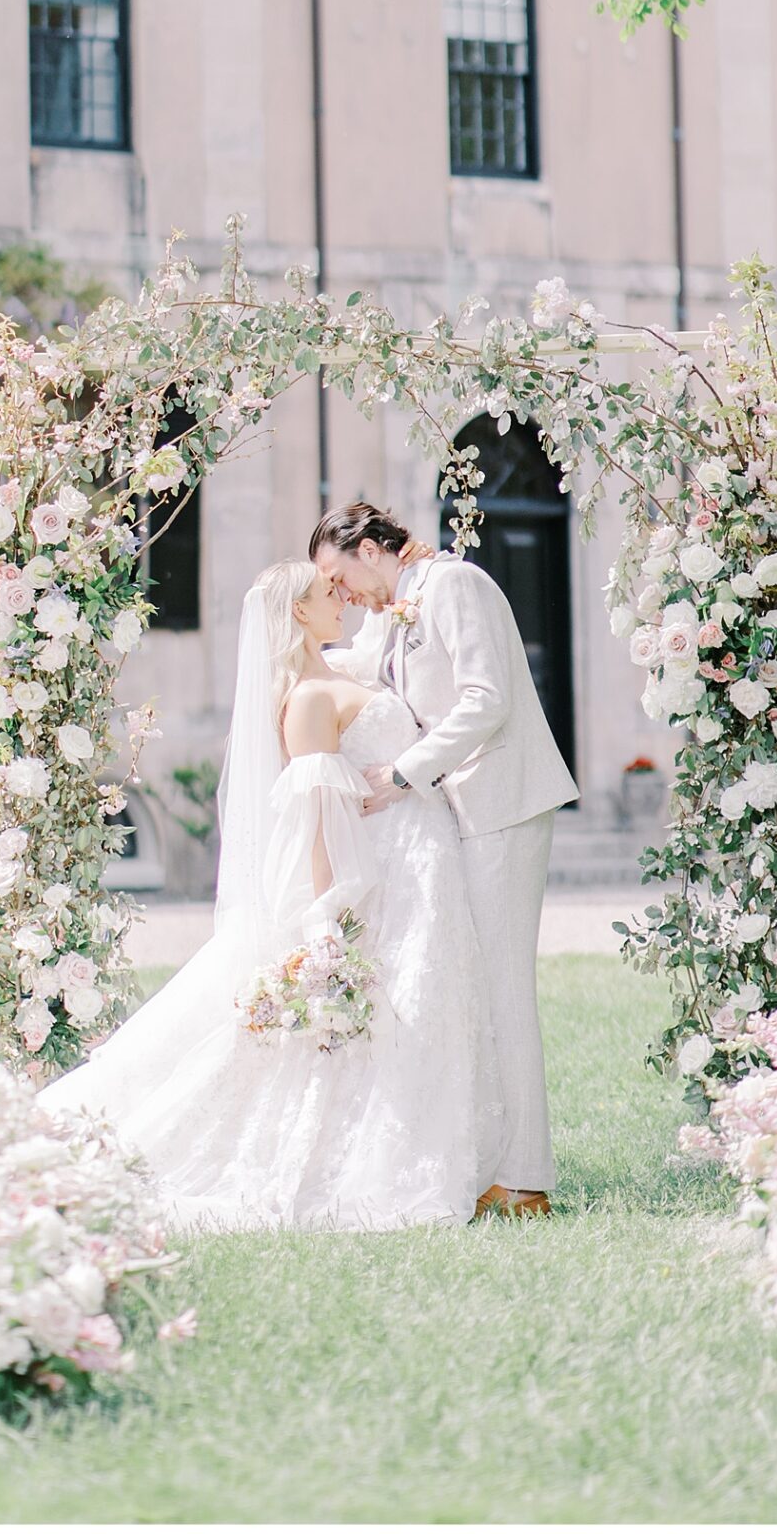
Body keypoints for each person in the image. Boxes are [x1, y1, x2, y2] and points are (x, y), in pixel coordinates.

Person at [38, 560, 501, 1229]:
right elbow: (313, 815)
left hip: (415, 861)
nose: (338, 599)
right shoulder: (309, 699)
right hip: (373, 874)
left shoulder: (344, 669)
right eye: (323, 595)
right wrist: (325, 916)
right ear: (297, 614)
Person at [310, 501, 579, 1219]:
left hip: (500, 804)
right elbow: (346, 663)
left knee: (502, 990)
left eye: (339, 576)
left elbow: (485, 700)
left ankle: (525, 1179)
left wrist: (402, 772)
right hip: (453, 814)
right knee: (473, 988)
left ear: (370, 549)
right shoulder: (394, 604)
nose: (342, 595)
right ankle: (490, 1155)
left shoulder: (455, 586)